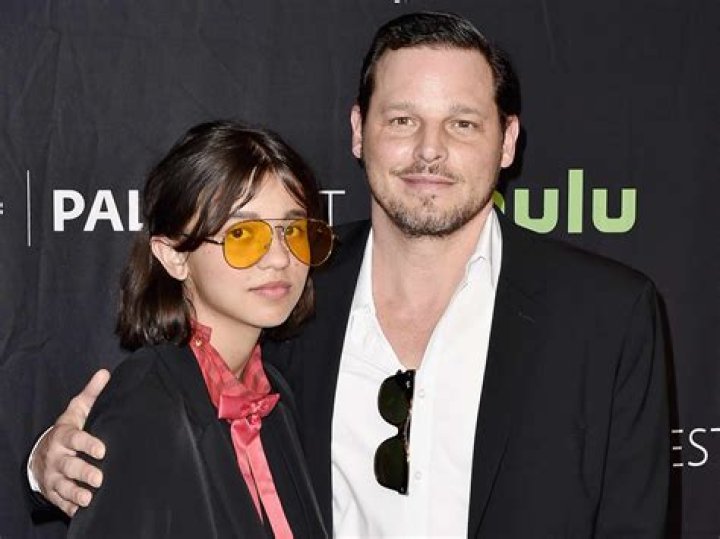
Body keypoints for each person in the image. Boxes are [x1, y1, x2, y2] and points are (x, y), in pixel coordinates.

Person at [29, 12, 669, 538]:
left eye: (462, 123)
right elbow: (168, 418)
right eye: (402, 120)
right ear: (360, 131)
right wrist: (48, 464)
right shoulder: (290, 290)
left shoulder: (606, 316)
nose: (429, 150)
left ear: (507, 141)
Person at [62, 121, 332, 538]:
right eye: (243, 234)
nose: (281, 258)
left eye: (293, 231)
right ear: (174, 256)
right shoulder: (147, 403)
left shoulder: (273, 396)